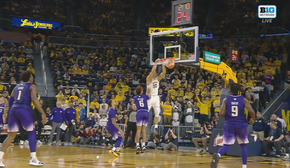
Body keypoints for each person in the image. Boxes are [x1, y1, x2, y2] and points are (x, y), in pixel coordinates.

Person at [0, 71, 47, 166]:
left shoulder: (16, 87)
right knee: (31, 132)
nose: (32, 78)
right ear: (30, 78)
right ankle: (33, 158)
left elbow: (10, 101)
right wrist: (43, 113)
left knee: (11, 135)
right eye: (32, 77)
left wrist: (10, 113)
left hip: (13, 110)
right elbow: (34, 100)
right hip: (24, 109)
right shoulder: (32, 86)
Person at [211, 83, 255, 168]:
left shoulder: (226, 100)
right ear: (239, 90)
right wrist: (253, 118)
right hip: (241, 125)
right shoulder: (244, 100)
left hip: (229, 125)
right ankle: (244, 166)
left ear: (230, 90)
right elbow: (251, 111)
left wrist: (228, 118)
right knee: (243, 146)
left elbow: (220, 113)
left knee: (226, 145)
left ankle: (218, 154)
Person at [147, 59, 166, 132]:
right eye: (153, 73)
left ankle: (155, 126)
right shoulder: (148, 79)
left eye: (155, 73)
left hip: (156, 97)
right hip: (149, 97)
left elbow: (164, 72)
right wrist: (155, 63)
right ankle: (143, 123)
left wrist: (163, 64)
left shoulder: (157, 79)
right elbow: (152, 71)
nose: (154, 73)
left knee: (157, 112)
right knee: (146, 111)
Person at [133, 86, 150, 154]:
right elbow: (149, 96)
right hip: (146, 112)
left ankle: (137, 145)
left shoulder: (135, 97)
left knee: (138, 130)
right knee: (144, 130)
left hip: (139, 112)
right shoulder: (145, 96)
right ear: (142, 91)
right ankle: (143, 145)